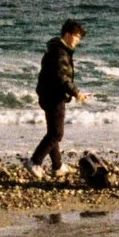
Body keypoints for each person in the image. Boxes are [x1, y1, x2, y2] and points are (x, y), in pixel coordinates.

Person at [28, 19, 86, 177]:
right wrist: (77, 93)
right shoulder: (60, 52)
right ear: (68, 35)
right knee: (56, 134)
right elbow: (62, 78)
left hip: (47, 94)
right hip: (54, 96)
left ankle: (57, 166)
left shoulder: (55, 49)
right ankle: (35, 161)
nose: (78, 41)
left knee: (52, 131)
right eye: (77, 36)